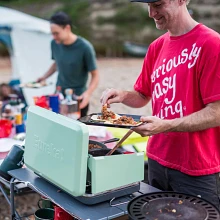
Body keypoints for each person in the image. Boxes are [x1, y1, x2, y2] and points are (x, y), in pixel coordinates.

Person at [101, 0, 220, 210]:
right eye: (148, 5)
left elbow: (216, 112)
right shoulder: (156, 47)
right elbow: (142, 95)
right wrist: (121, 95)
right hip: (156, 159)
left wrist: (167, 125)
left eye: (157, 4)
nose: (151, 13)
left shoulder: (211, 44)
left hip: (196, 169)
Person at [37, 11, 99, 117]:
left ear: (67, 28)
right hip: (58, 94)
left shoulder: (85, 47)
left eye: (56, 33)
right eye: (52, 33)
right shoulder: (55, 44)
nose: (54, 37)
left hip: (78, 98)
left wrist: (88, 94)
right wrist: (43, 77)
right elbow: (57, 63)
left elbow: (95, 75)